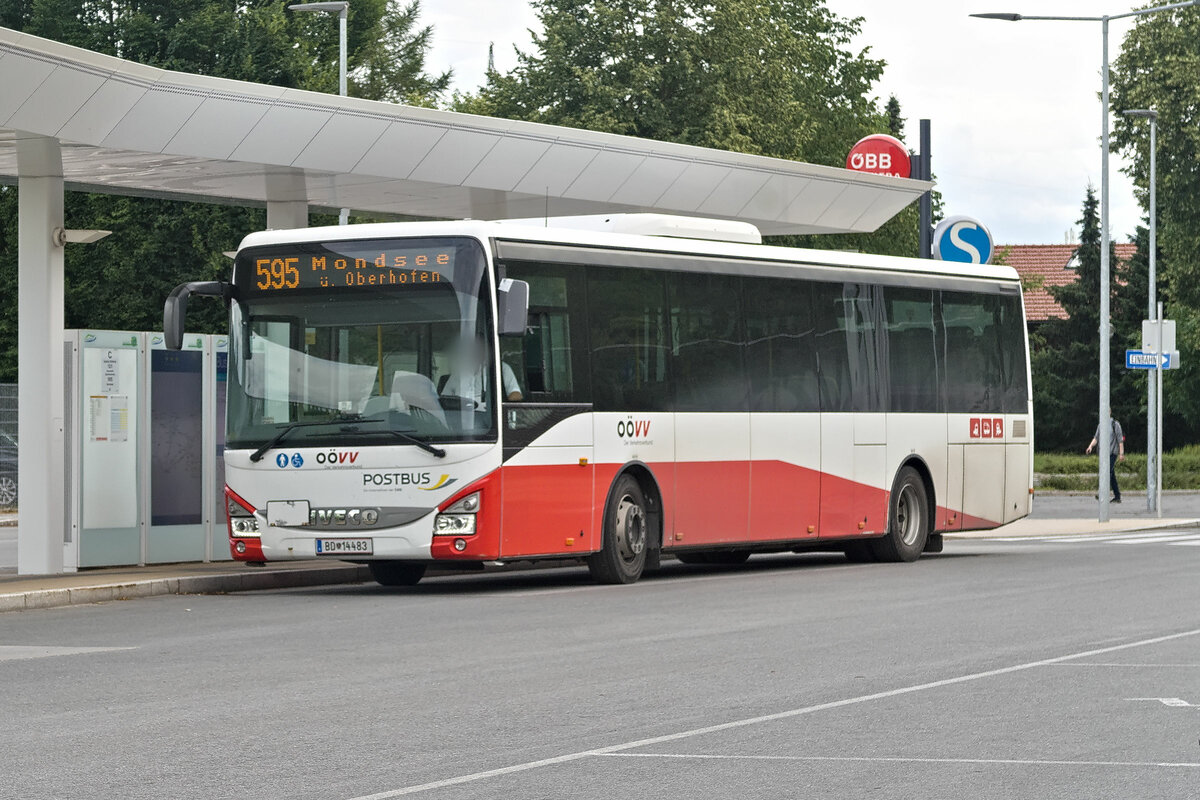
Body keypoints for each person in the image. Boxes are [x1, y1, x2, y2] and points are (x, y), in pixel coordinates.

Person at [441, 336, 522, 407]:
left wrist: (496, 407)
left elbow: (516, 395)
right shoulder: (459, 371)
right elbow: (445, 398)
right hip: (461, 418)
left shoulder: (501, 368)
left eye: (480, 346)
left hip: (490, 419)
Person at [1085, 417, 1125, 503]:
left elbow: (1120, 440)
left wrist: (1121, 453)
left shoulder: (1115, 424)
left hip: (1112, 453)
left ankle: (1102, 493)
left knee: (1107, 472)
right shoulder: (1101, 425)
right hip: (1103, 454)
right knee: (1111, 474)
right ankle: (1117, 495)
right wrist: (1090, 446)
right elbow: (1096, 438)